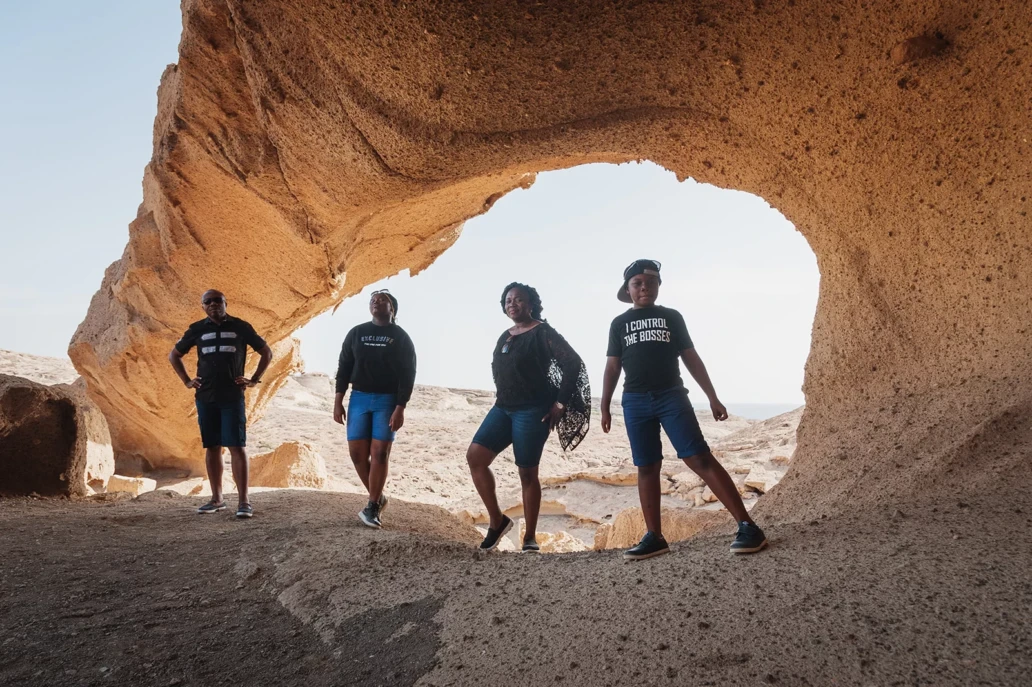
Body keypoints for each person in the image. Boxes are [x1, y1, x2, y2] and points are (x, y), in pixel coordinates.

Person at [600, 259, 768, 560]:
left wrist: (713, 397)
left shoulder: (671, 317)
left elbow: (691, 357)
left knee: (698, 457)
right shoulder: (619, 323)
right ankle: (654, 537)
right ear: (628, 289)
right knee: (647, 466)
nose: (644, 288)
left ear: (658, 287)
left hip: (671, 396)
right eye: (637, 283)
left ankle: (748, 526)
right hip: (635, 401)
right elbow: (613, 367)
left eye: (650, 283)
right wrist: (604, 406)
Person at [467, 282, 590, 552]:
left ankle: (530, 537)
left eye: (519, 299)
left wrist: (560, 403)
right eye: (508, 300)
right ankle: (497, 521)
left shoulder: (543, 332)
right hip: (503, 408)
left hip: (533, 410)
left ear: (531, 303)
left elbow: (573, 363)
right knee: (476, 456)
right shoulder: (506, 335)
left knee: (527, 473)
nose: (513, 304)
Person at [169, 289, 273, 518]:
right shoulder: (197, 329)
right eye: (209, 301)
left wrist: (254, 379)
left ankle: (244, 502)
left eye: (218, 300)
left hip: (232, 396)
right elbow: (174, 355)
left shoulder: (240, 327)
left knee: (237, 446)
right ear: (203, 306)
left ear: (226, 303)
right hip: (205, 396)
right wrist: (187, 381)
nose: (214, 304)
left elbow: (266, 352)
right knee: (212, 446)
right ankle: (217, 499)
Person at [333, 289, 417, 529]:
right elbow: (344, 367)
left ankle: (371, 506)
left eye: (384, 300)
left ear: (393, 309)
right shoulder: (357, 333)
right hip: (358, 397)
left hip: (387, 400)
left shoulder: (400, 337)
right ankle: (378, 496)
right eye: (373, 300)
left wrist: (400, 407)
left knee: (380, 453)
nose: (377, 302)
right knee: (357, 455)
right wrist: (338, 400)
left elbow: (407, 374)